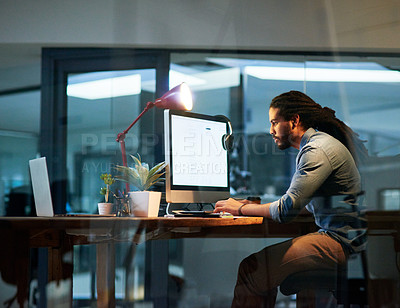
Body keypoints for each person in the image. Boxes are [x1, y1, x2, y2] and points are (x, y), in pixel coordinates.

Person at [214, 90, 367, 307]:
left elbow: (286, 210)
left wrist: (238, 209)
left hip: (341, 243)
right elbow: (300, 204)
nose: (271, 131)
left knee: (252, 268)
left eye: (275, 122)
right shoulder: (318, 145)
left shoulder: (317, 149)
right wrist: (252, 206)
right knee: (258, 268)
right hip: (345, 241)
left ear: (294, 121)